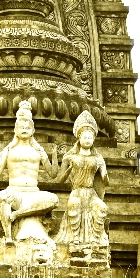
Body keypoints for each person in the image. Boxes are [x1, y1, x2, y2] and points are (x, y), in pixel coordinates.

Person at [0, 100, 58, 243]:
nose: (24, 129)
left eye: (28, 127)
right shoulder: (9, 150)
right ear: (15, 130)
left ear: (33, 130)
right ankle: (8, 237)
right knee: (1, 197)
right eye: (21, 126)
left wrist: (54, 156)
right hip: (15, 193)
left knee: (54, 199)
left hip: (33, 194)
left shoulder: (38, 151)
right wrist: (1, 157)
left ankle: (16, 214)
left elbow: (53, 174)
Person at [55, 110, 109, 262]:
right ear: (79, 137)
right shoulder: (69, 157)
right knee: (74, 205)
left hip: (91, 192)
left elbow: (105, 179)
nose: (87, 140)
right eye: (85, 137)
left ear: (93, 139)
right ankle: (75, 239)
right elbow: (60, 180)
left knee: (102, 208)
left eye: (90, 137)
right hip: (77, 191)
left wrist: (104, 175)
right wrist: (68, 170)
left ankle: (96, 241)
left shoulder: (98, 158)